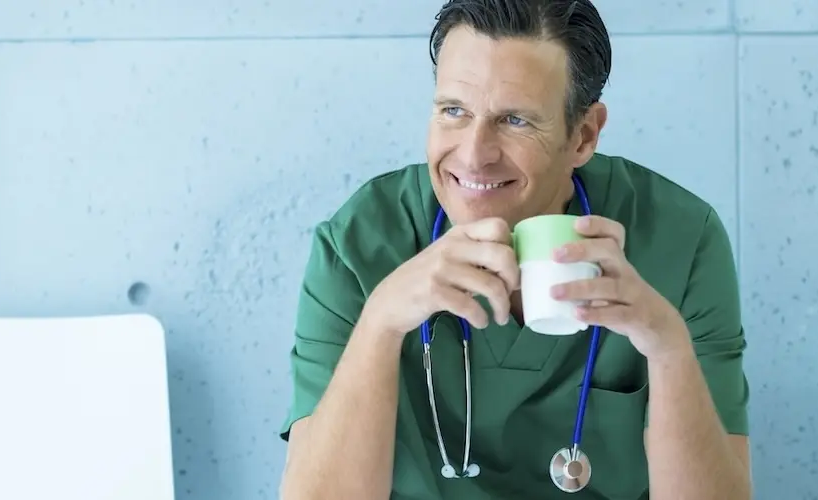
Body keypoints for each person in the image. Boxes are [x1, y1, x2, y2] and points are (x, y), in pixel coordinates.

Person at [276, 0, 751, 498]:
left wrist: (667, 347)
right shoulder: (358, 243)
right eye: (454, 111)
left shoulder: (681, 240)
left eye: (515, 121)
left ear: (583, 135)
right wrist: (380, 322)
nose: (475, 154)